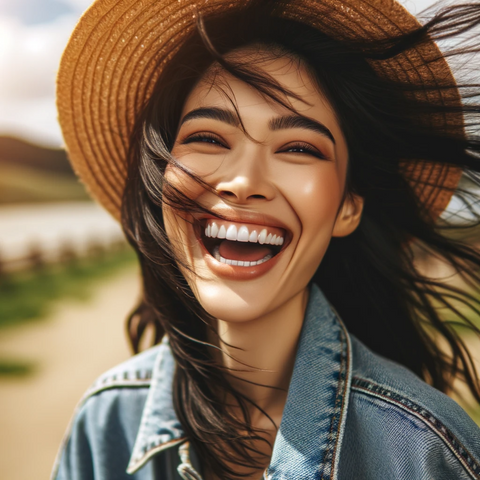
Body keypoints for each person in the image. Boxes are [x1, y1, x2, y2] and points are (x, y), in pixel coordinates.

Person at [52, 0, 480, 478]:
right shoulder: (106, 421)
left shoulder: (427, 453)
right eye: (209, 138)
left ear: (347, 206)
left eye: (298, 147)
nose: (243, 181)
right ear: (161, 181)